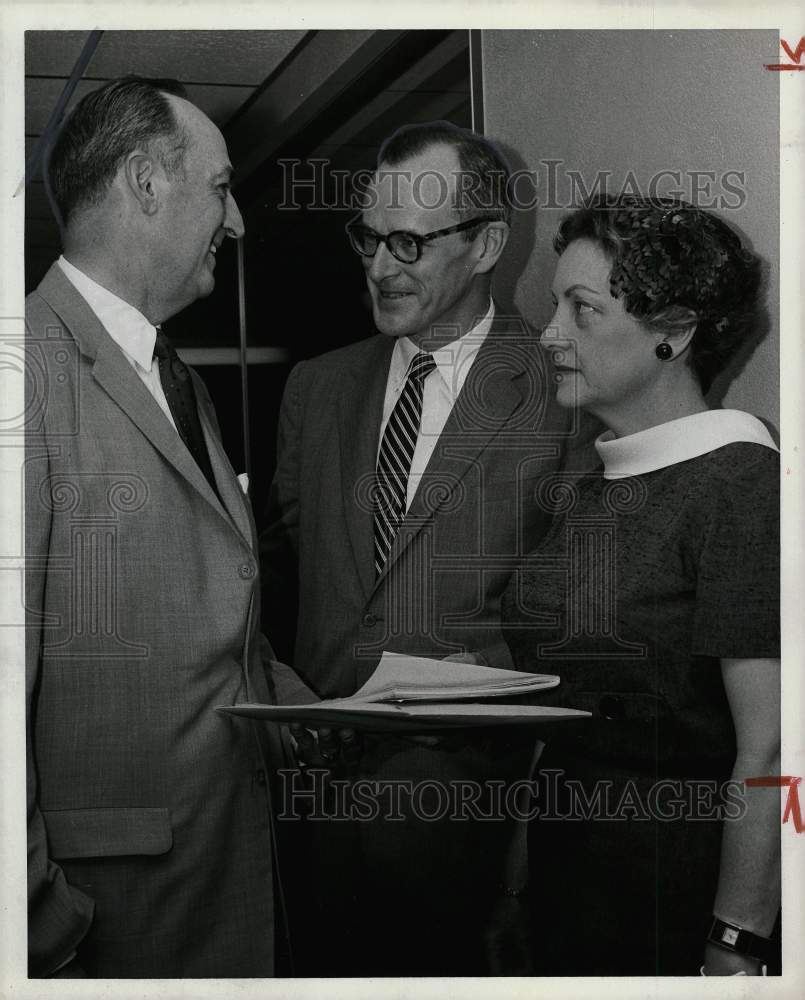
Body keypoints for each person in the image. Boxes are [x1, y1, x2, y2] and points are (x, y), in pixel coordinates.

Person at [260, 121, 592, 975]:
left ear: (485, 245)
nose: (378, 265)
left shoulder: (564, 391)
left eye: (408, 241)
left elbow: (581, 622)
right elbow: (288, 567)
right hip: (314, 802)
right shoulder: (316, 386)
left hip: (470, 811)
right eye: (368, 237)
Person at [25, 76, 311, 978]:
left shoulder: (171, 376)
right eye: (222, 188)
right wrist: (43, 933)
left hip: (219, 880)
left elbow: (204, 613)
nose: (236, 223)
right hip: (112, 918)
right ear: (146, 183)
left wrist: (302, 705)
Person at [500, 195, 780, 975]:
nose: (550, 333)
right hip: (565, 886)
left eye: (579, 310)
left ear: (674, 333)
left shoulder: (741, 483)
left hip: (671, 894)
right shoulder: (599, 479)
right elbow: (569, 716)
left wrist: (735, 944)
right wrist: (519, 886)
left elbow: (772, 747)